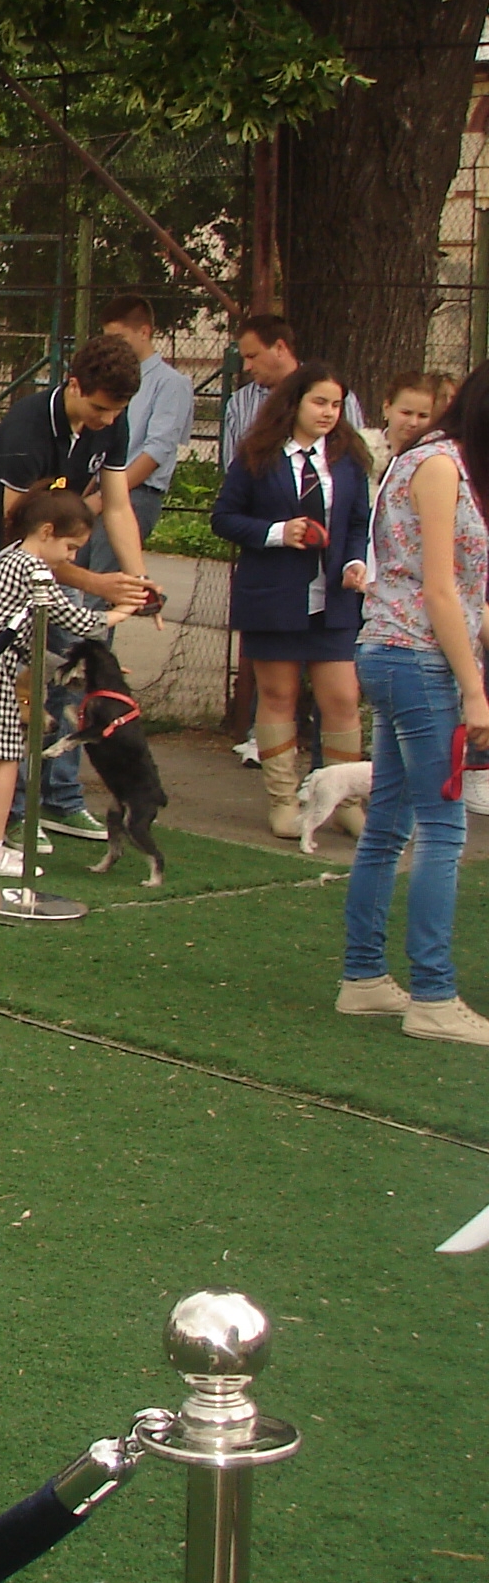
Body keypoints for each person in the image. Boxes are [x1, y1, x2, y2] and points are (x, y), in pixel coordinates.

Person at [338, 363, 489, 1045]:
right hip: (417, 659)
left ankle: (365, 977)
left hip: (406, 655)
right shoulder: (440, 466)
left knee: (391, 822)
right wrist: (475, 689)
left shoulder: (440, 463)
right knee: (443, 827)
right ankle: (432, 992)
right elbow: (438, 590)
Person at [0, 332, 155, 840]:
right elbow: (23, 544)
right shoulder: (26, 428)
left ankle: (61, 798)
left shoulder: (112, 418)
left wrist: (137, 583)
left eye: (117, 411)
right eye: (100, 408)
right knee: (20, 683)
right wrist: (96, 584)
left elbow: (115, 505)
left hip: (58, 554)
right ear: (73, 384)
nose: (108, 420)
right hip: (4, 558)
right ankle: (14, 812)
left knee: (77, 667)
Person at [0, 488, 142, 878]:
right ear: (47, 531)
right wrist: (120, 612)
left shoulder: (12, 557)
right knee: (6, 755)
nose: (72, 558)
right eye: (70, 547)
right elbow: (75, 620)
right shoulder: (32, 568)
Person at [213, 362, 372, 837]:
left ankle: (343, 799)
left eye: (336, 405)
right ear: (294, 403)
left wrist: (353, 562)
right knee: (279, 694)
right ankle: (284, 799)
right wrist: (278, 532)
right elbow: (224, 518)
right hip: (273, 596)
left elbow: (360, 521)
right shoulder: (257, 456)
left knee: (342, 697)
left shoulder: (347, 458)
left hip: (334, 600)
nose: (328, 413)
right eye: (319, 402)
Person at [81, 297, 193, 568]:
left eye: (120, 337)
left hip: (135, 491)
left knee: (100, 583)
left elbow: (156, 451)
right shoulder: (107, 379)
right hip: (97, 483)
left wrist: (103, 498)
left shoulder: (170, 384)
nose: (114, 347)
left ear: (144, 332)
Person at [221, 312, 361, 465]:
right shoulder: (239, 404)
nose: (246, 367)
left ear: (280, 348)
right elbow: (233, 470)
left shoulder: (337, 397)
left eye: (252, 356)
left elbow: (357, 460)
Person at [380, 371, 439, 457]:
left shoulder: (435, 457)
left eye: (423, 416)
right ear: (387, 409)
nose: (413, 423)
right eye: (406, 413)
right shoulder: (363, 451)